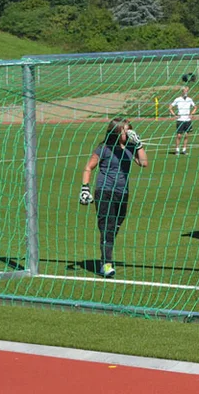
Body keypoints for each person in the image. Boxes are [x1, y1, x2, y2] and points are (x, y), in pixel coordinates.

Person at [79, 118, 148, 278]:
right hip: (105, 191)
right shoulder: (103, 148)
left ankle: (106, 250)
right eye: (125, 130)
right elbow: (88, 167)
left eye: (130, 130)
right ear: (116, 132)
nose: (128, 133)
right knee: (107, 227)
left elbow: (144, 163)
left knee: (116, 224)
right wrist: (85, 188)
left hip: (122, 192)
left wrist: (139, 144)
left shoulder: (130, 147)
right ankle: (106, 264)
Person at [169, 86, 197, 155]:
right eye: (184, 91)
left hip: (187, 120)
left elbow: (195, 107)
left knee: (186, 135)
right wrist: (174, 115)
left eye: (187, 91)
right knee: (179, 135)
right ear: (182, 91)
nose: (186, 92)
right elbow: (170, 107)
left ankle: (184, 150)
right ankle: (177, 150)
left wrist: (192, 114)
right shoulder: (177, 99)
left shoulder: (189, 99)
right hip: (180, 120)